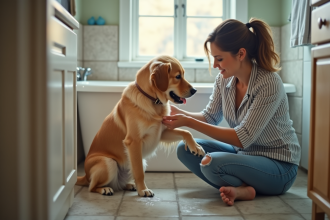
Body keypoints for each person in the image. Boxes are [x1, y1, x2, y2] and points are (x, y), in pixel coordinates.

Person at [162, 18, 301, 206]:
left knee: (211, 162)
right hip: (244, 156)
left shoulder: (269, 83)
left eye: (219, 59)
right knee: (185, 149)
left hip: (279, 166)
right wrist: (178, 112)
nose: (215, 65)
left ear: (241, 54)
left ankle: (244, 187)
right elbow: (210, 117)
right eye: (214, 59)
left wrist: (188, 122)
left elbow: (243, 138)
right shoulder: (223, 80)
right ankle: (244, 188)